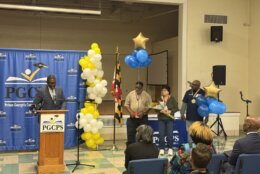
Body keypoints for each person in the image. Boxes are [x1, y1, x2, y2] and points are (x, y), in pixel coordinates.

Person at [124, 81, 152, 146]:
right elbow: (126, 105)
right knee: (131, 133)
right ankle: (131, 147)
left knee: (144, 133)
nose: (137, 89)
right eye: (136, 87)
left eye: (139, 88)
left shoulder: (147, 95)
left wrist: (144, 112)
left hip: (142, 117)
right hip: (133, 116)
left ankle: (143, 146)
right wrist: (131, 112)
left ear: (142, 88)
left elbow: (150, 106)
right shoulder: (130, 94)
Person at [157, 85, 179, 156]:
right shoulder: (159, 99)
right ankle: (161, 149)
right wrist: (160, 111)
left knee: (170, 134)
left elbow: (176, 108)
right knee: (161, 134)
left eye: (165, 90)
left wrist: (170, 111)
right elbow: (155, 108)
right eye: (162, 90)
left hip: (170, 119)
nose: (163, 92)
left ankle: (170, 148)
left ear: (168, 92)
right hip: (161, 119)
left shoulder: (172, 99)